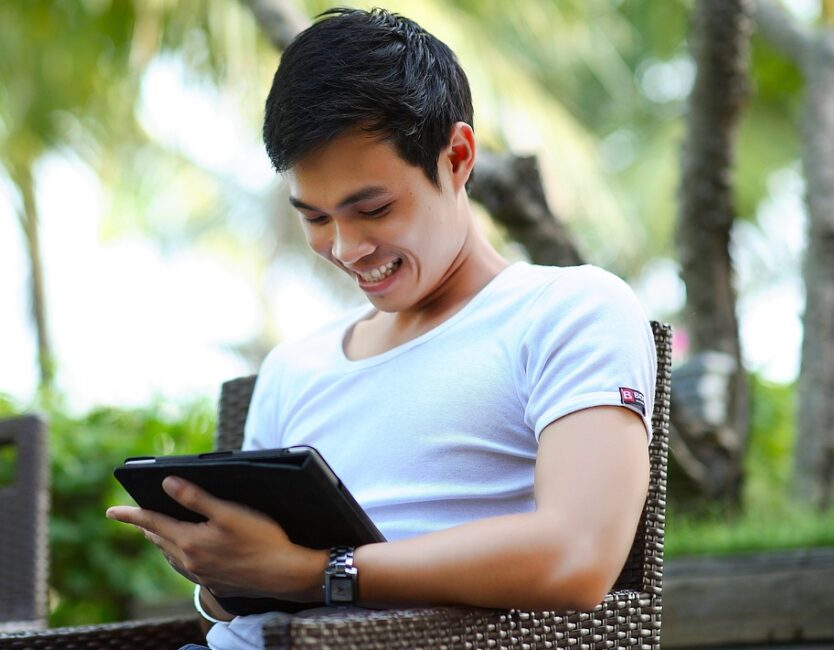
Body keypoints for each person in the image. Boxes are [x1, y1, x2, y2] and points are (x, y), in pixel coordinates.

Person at [107, 7, 656, 650]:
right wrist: (219, 568)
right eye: (314, 217)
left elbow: (577, 557)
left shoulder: (569, 310)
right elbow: (239, 604)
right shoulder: (295, 365)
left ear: (457, 157)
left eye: (373, 208)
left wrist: (318, 574)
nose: (346, 248)